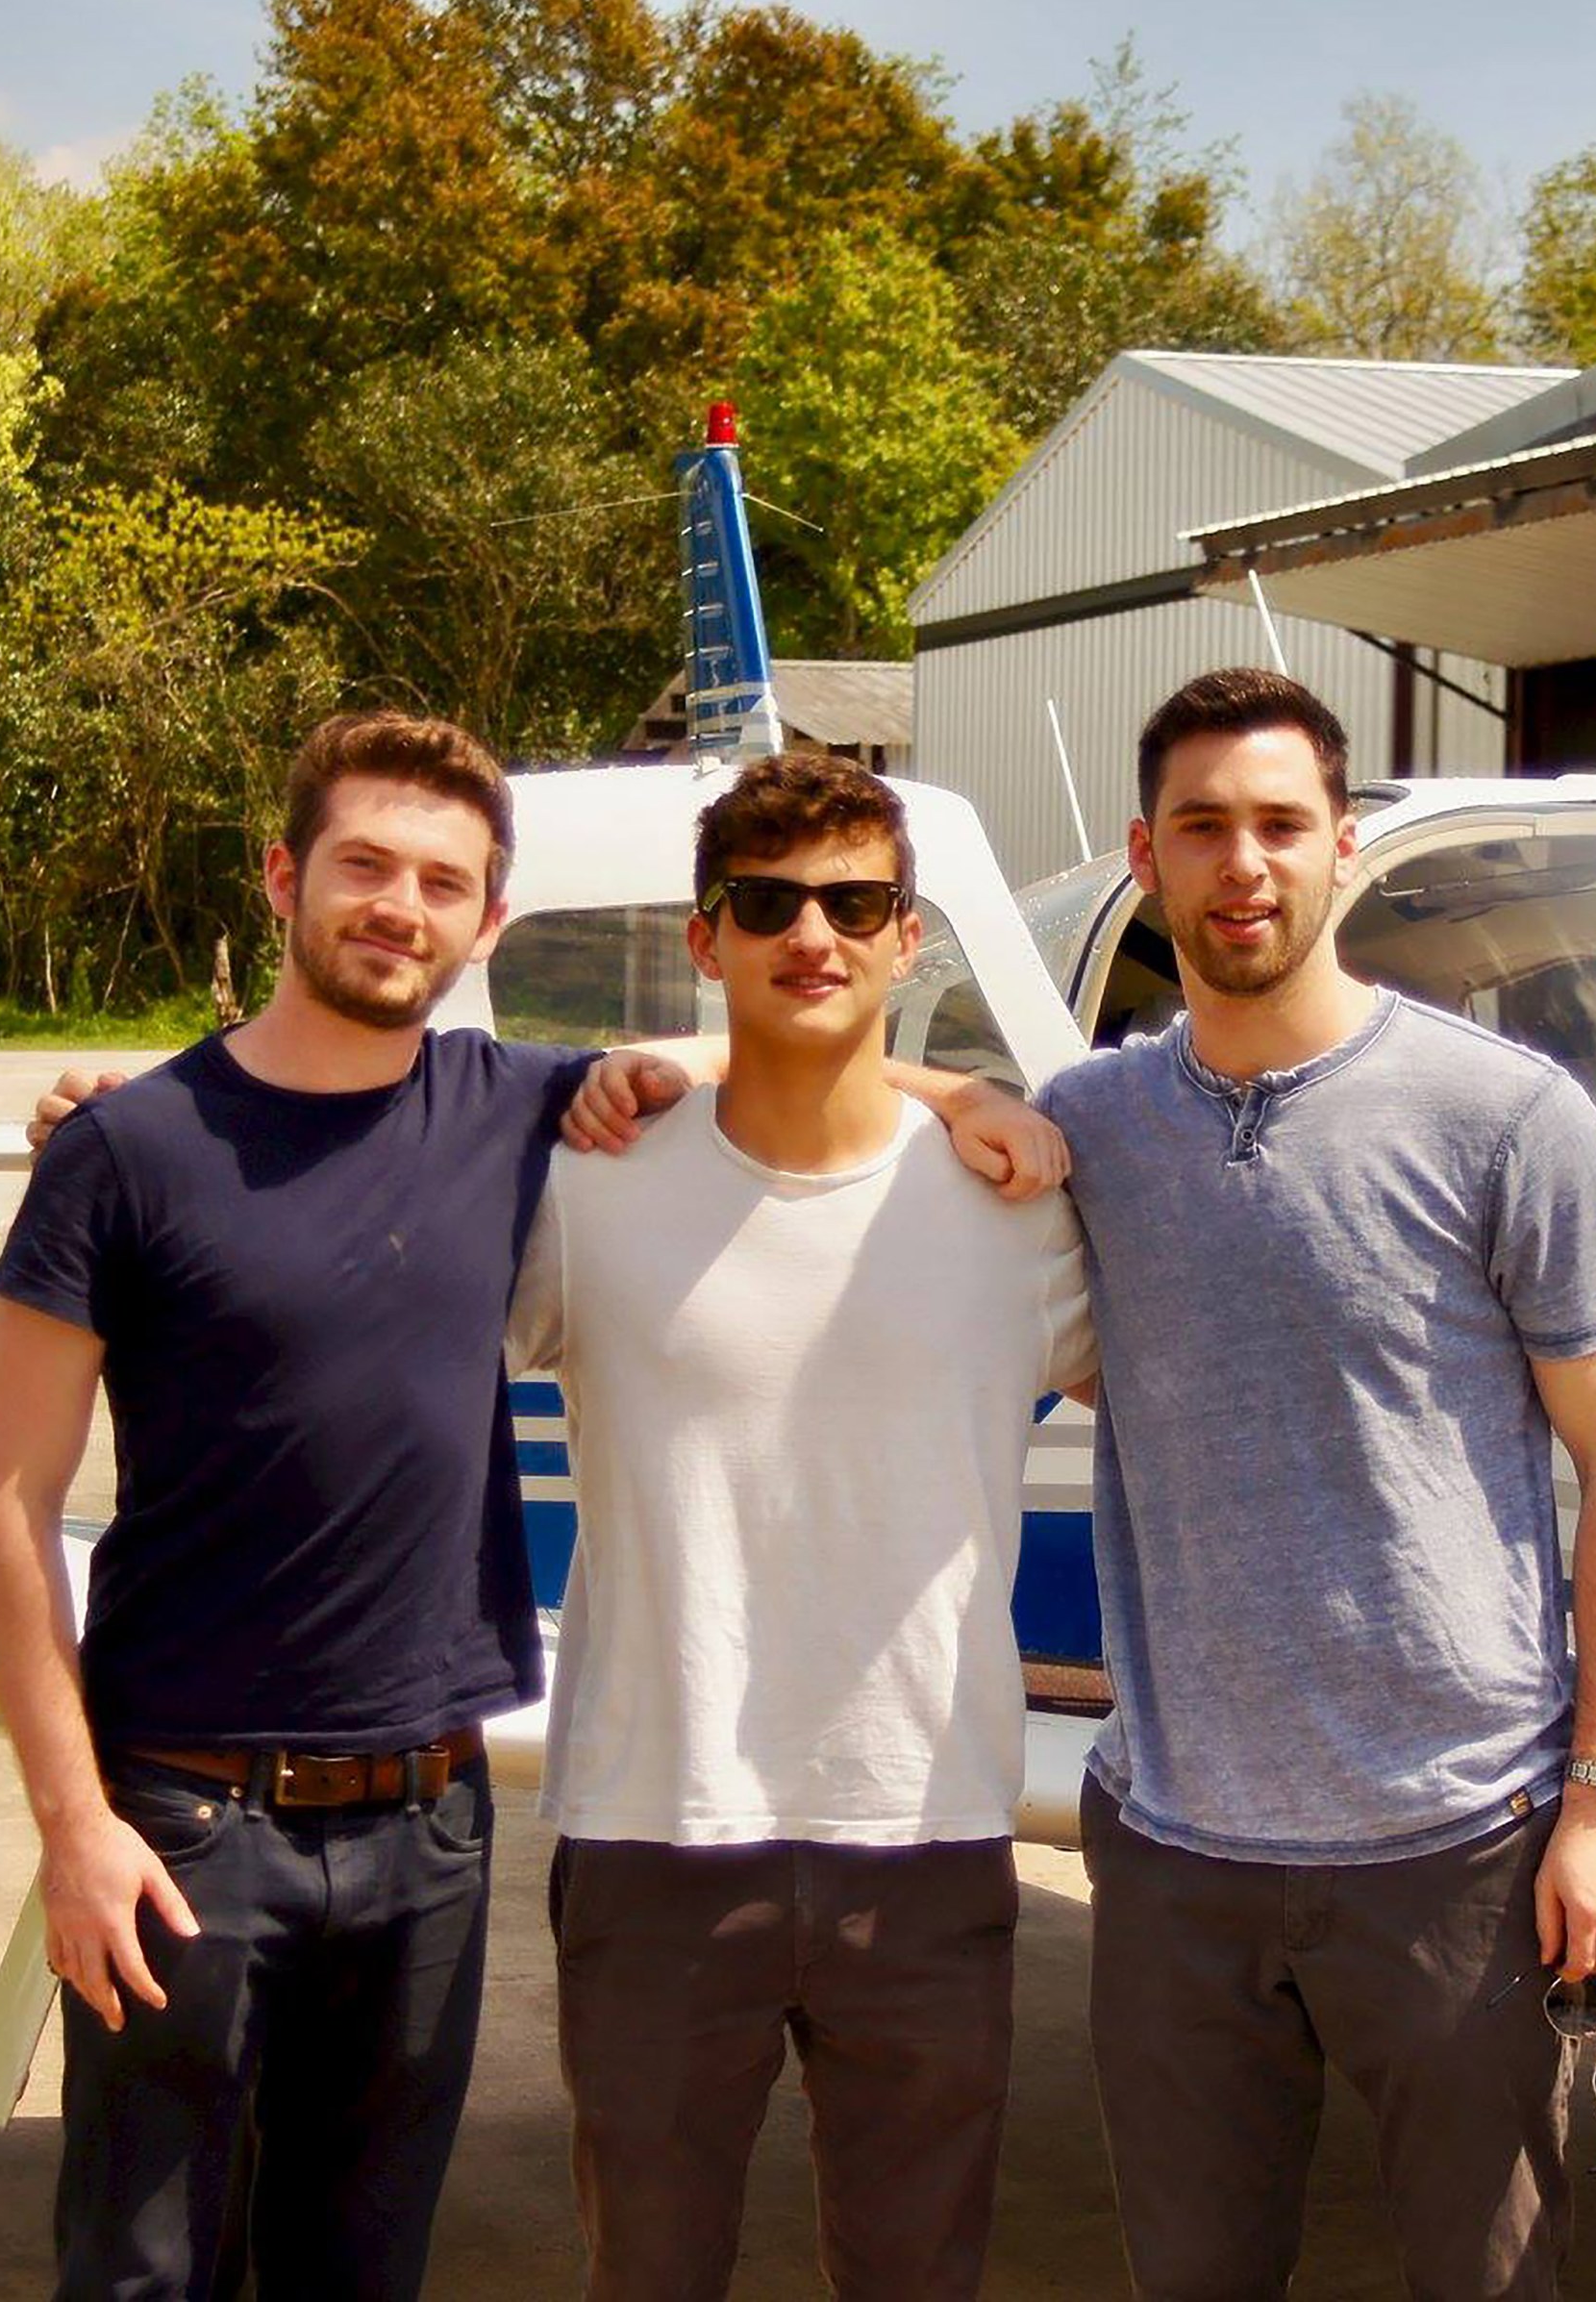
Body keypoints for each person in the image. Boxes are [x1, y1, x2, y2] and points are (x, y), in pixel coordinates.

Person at [0, 716, 1059, 2296]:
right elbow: (7, 1502)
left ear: (487, 923)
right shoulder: (176, 1152)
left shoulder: (536, 1119)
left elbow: (777, 1040)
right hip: (223, 1822)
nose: (396, 906)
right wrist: (73, 1823)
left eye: (440, 881)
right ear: (283, 878)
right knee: (148, 2267)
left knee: (366, 2258)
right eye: (362, 865)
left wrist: (956, 1085)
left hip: (450, 1828)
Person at [1035, 669, 1596, 2300]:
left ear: (1340, 850)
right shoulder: (1085, 1127)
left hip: (1455, 1851)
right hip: (1176, 1851)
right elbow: (849, 1120)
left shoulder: (1507, 1116)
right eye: (1201, 828)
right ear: (1147, 856)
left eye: (1277, 825)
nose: (1241, 863)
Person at [508, 754, 1094, 2301]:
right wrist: (118, 1109)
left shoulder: (1020, 1205)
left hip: (930, 1836)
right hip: (652, 1827)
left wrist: (966, 1091)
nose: (812, 937)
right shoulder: (587, 1182)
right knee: (649, 2274)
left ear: (912, 938)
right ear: (708, 943)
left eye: (854, 903)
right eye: (766, 906)